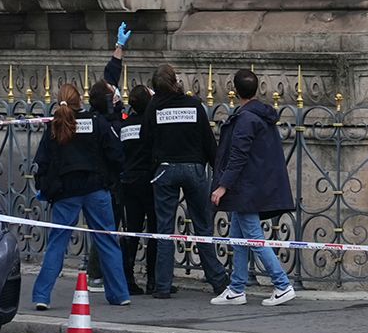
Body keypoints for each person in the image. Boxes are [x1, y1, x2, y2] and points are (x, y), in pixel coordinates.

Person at [28, 98, 131, 311]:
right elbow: (115, 154)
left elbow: (42, 162)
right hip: (96, 188)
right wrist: (111, 178)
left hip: (65, 191)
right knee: (107, 240)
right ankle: (120, 294)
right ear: (79, 102)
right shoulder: (97, 121)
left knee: (57, 244)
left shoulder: (55, 125)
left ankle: (42, 296)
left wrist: (46, 188)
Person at [209, 67, 296, 306]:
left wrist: (222, 186)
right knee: (239, 238)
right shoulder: (259, 115)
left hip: (246, 188)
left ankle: (282, 284)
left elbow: (238, 155)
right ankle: (237, 287)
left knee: (254, 238)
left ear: (235, 91)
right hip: (250, 187)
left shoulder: (246, 118)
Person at [146, 66, 219, 296]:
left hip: (165, 169)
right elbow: (208, 139)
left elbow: (145, 139)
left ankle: (163, 285)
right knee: (203, 226)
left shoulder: (154, 107)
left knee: (165, 229)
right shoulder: (194, 104)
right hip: (194, 167)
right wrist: (217, 169)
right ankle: (218, 280)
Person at [117, 83, 162, 296]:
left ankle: (128, 278)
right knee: (153, 232)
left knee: (132, 232)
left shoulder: (125, 126)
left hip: (129, 182)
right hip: (149, 181)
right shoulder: (151, 125)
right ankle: (153, 279)